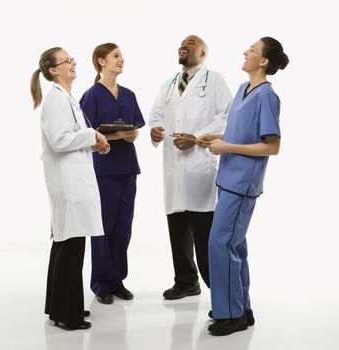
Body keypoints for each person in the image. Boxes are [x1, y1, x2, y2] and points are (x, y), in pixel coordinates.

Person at [198, 37, 289, 336]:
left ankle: (232, 314)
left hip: (242, 182)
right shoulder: (242, 90)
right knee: (234, 245)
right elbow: (238, 133)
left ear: (263, 61)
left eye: (251, 50)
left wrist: (228, 148)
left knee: (220, 243)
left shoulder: (267, 96)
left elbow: (271, 146)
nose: (245, 52)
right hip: (227, 178)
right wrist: (216, 139)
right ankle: (240, 306)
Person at [30, 47, 110, 330]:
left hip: (73, 182)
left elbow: (70, 137)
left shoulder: (65, 99)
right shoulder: (55, 100)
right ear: (54, 70)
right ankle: (68, 314)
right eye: (68, 61)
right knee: (70, 247)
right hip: (68, 186)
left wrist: (92, 141)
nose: (74, 63)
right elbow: (59, 140)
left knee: (68, 246)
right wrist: (93, 134)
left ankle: (59, 307)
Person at [149, 35, 233, 300]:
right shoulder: (169, 84)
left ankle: (220, 290)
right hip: (173, 167)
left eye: (191, 43)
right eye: (181, 43)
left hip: (200, 165)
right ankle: (186, 281)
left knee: (204, 233)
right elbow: (156, 118)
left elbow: (227, 116)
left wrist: (196, 137)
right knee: (177, 228)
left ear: (204, 53)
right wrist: (155, 132)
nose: (183, 45)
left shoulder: (216, 81)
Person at [80, 43, 145, 305]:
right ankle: (101, 283)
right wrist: (118, 135)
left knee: (123, 227)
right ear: (101, 61)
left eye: (122, 56)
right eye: (116, 56)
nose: (121, 60)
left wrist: (133, 134)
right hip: (103, 169)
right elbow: (85, 133)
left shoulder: (128, 95)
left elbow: (136, 126)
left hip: (128, 168)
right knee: (103, 227)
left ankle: (117, 279)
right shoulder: (91, 95)